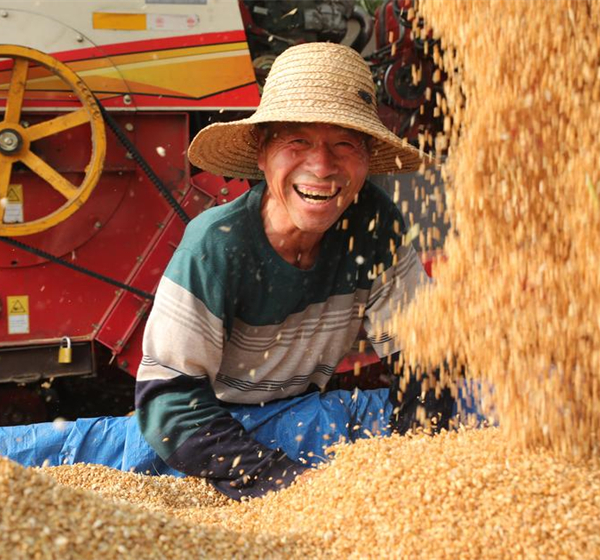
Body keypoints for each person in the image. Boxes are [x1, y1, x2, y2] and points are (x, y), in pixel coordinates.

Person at [135, 42, 454, 500]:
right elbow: (169, 402)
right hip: (220, 430)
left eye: (344, 144)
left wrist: (415, 464)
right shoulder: (218, 246)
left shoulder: (373, 223)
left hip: (305, 413)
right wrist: (286, 485)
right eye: (297, 142)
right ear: (262, 156)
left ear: (366, 161)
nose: (322, 167)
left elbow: (424, 358)